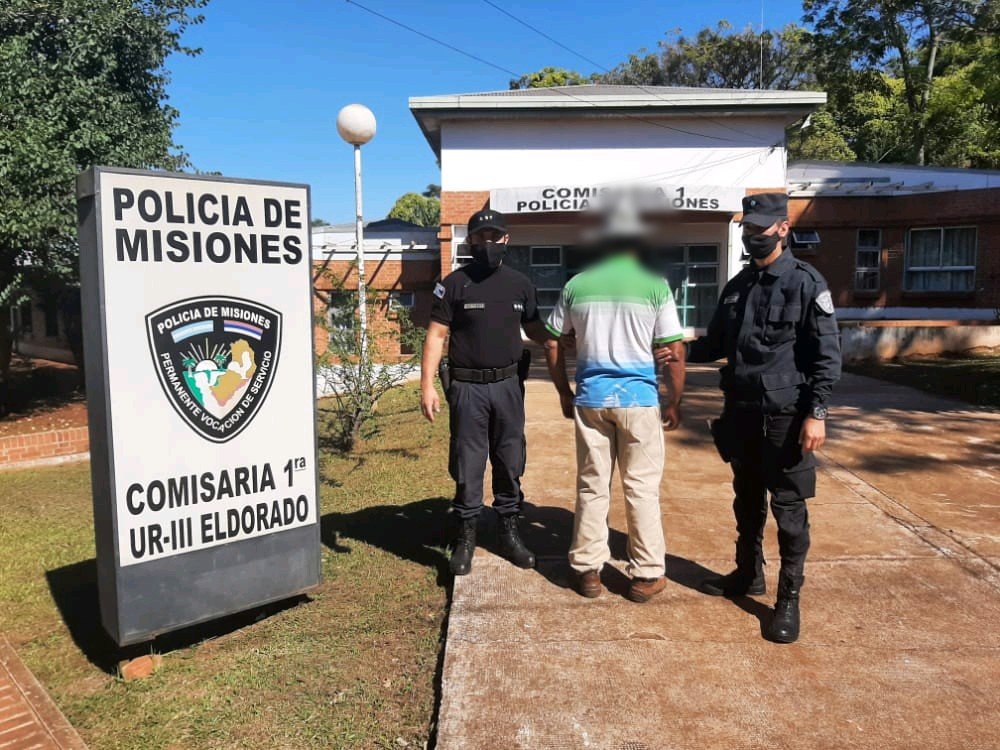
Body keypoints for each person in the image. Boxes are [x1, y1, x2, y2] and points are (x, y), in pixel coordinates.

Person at [685, 192, 841, 643]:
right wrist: (674, 350)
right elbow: (714, 345)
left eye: (760, 228)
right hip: (741, 412)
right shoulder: (738, 286)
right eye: (747, 228)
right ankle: (747, 573)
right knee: (747, 500)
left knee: (788, 509)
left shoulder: (806, 283)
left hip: (786, 417)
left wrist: (817, 413)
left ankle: (788, 599)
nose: (752, 235)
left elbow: (827, 357)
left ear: (783, 228)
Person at [544, 207, 686, 603]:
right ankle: (646, 575)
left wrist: (564, 392)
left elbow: (553, 341)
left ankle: (587, 570)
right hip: (639, 401)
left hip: (592, 399)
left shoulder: (577, 285)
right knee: (641, 487)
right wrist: (674, 401)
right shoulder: (655, 286)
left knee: (592, 485)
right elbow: (674, 351)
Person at [420, 209, 549, 576]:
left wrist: (562, 340)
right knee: (468, 462)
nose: (487, 243)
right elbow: (436, 335)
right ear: (470, 240)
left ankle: (509, 531)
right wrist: (427, 385)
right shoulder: (454, 284)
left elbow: (534, 328)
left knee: (510, 459)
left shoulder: (521, 284)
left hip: (508, 386)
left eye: (494, 237)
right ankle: (466, 536)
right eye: (480, 237)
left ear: (505, 239)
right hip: (467, 388)